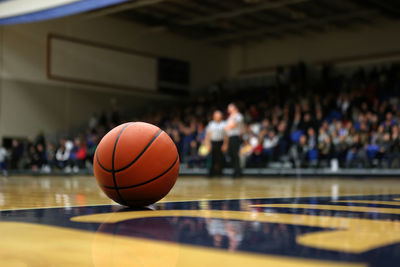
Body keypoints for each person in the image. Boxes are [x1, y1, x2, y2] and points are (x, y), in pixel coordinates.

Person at [223, 103, 243, 177]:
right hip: (229, 138)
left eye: (229, 108)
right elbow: (226, 129)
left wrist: (226, 127)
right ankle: (234, 170)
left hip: (235, 137)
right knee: (231, 154)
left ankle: (238, 172)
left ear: (234, 108)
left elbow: (232, 125)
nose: (228, 109)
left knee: (235, 155)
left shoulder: (239, 116)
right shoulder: (229, 117)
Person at [204, 110, 226, 176]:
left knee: (220, 158)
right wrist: (208, 144)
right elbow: (207, 136)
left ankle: (220, 173)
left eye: (218, 115)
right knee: (212, 158)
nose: (217, 117)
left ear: (221, 116)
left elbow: (226, 135)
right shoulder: (211, 124)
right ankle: (211, 173)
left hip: (220, 143)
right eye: (216, 115)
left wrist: (225, 144)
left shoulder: (224, 124)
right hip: (212, 143)